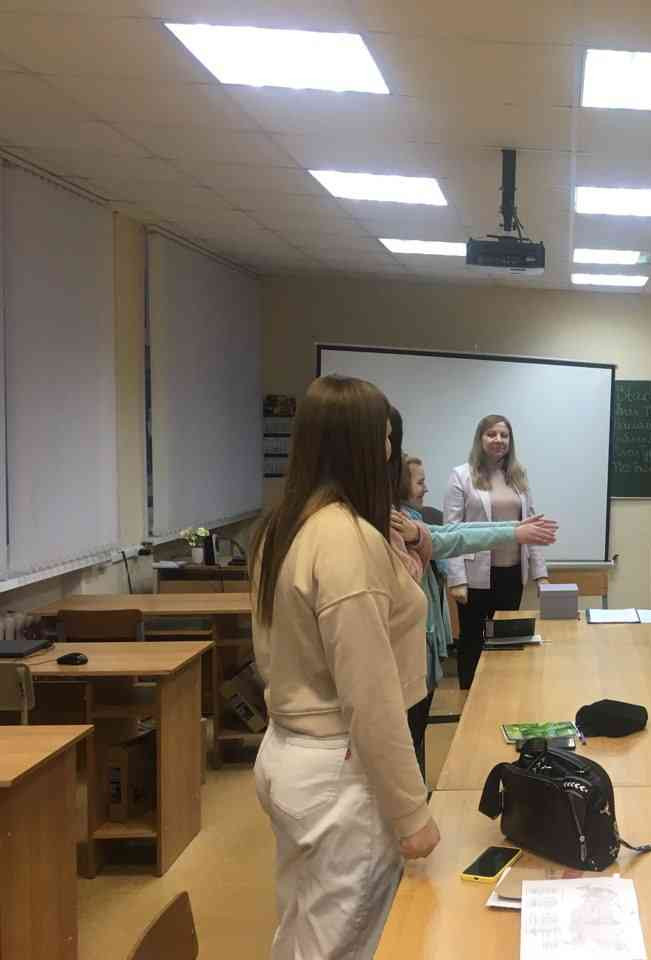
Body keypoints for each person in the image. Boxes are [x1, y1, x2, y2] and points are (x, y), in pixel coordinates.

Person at [250, 375, 440, 960]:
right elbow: (369, 695)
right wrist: (411, 812)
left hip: (292, 752)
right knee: (341, 943)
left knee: (303, 929)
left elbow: (274, 654)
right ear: (357, 444)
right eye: (382, 437)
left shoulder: (285, 525)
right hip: (340, 773)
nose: (389, 449)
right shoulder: (343, 538)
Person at [396, 453, 557, 778]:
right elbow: (451, 537)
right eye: (420, 482)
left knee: (416, 733)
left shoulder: (411, 521)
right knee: (408, 738)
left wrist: (514, 528)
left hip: (423, 645)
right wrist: (513, 532)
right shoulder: (396, 524)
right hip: (411, 650)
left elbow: (453, 533)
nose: (426, 489)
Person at [445, 415, 549, 690]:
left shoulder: (518, 476)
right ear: (480, 439)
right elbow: (451, 531)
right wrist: (456, 579)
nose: (498, 440)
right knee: (473, 639)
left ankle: (501, 695)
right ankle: (469, 696)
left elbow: (532, 527)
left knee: (505, 639)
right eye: (491, 434)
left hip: (512, 573)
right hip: (474, 576)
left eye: (504, 435)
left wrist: (541, 575)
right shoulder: (461, 475)